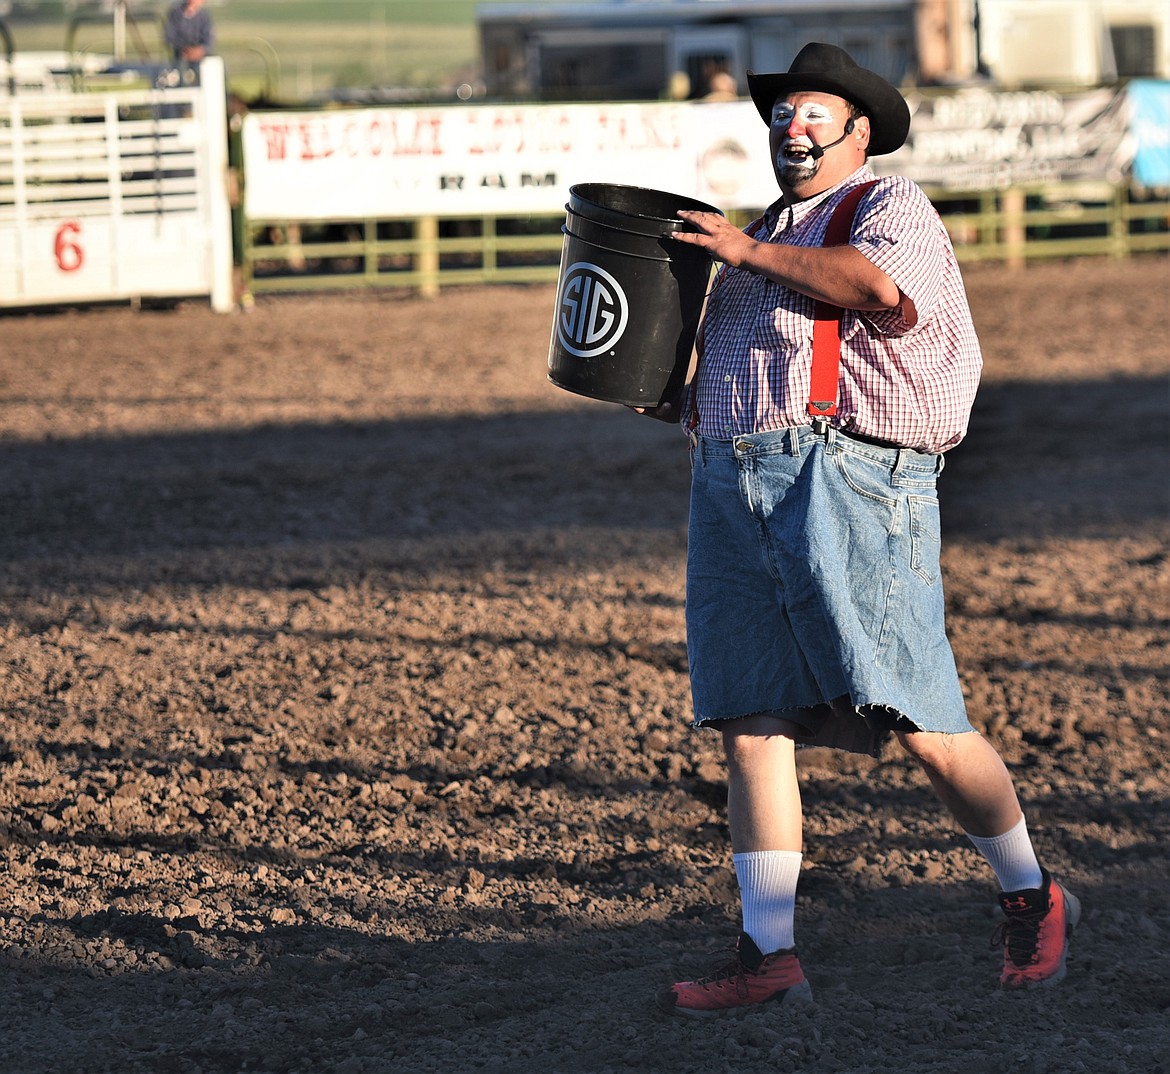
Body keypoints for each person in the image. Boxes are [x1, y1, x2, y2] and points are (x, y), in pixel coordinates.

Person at [638, 42, 1080, 1016]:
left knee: (919, 717)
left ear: (858, 131)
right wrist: (669, 393)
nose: (792, 127)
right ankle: (770, 956)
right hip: (732, 484)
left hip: (847, 480)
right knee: (750, 722)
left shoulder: (887, 209)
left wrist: (745, 252)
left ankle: (1031, 892)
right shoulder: (757, 234)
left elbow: (876, 289)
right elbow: (741, 363)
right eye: (783, 113)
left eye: (813, 113)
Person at [165, 0, 214, 65]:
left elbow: (209, 39)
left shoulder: (204, 16)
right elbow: (170, 37)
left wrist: (200, 50)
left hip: (201, 56)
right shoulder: (175, 14)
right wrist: (185, 50)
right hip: (180, 55)